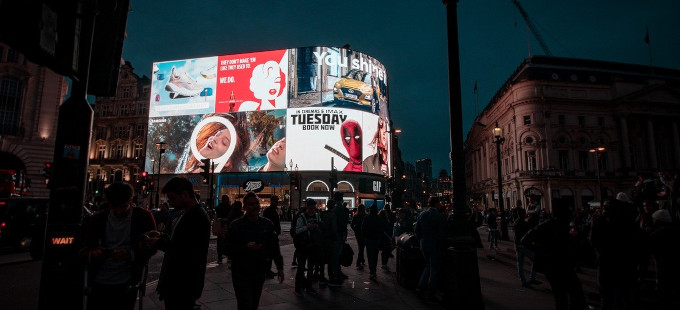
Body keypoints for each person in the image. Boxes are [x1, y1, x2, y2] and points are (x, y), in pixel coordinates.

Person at [80, 182, 158, 310]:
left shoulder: (143, 217)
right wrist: (93, 254)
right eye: (114, 207)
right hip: (99, 280)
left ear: (130, 200)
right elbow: (84, 248)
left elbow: (152, 246)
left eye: (122, 206)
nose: (118, 211)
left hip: (127, 282)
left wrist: (130, 254)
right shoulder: (98, 218)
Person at [154, 177, 211, 310]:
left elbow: (185, 251)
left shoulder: (197, 216)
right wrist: (162, 236)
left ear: (185, 195)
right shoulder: (186, 213)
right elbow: (179, 242)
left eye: (173, 198)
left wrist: (158, 242)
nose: (171, 202)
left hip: (183, 283)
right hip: (180, 282)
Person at [521, 201, 586, 310]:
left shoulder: (566, 226)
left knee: (569, 297)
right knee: (565, 296)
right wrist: (542, 251)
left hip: (562, 265)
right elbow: (525, 240)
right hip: (554, 266)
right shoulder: (549, 225)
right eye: (569, 212)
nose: (571, 215)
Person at [226, 192, 284, 310]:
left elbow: (274, 246)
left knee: (254, 302)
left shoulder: (266, 224)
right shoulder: (236, 225)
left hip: (259, 270)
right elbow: (227, 248)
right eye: (251, 204)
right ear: (245, 207)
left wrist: (280, 267)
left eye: (256, 203)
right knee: (244, 303)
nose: (255, 206)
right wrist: (245, 247)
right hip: (241, 271)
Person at [182, 113, 251, 173]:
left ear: (227, 161)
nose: (214, 138)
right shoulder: (186, 173)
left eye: (224, 142)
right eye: (217, 134)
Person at [414, 196, 446, 304]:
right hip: (435, 245)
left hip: (424, 244)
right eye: (439, 203)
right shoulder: (439, 216)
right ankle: (430, 293)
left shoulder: (422, 214)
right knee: (434, 270)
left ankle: (420, 287)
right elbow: (442, 234)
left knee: (428, 266)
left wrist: (421, 240)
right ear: (436, 204)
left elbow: (417, 230)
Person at [293, 199, 322, 296]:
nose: (312, 211)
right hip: (304, 245)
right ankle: (298, 287)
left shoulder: (317, 216)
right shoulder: (301, 217)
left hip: (313, 245)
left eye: (314, 208)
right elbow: (297, 230)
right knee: (301, 267)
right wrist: (308, 227)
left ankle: (309, 287)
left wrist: (318, 227)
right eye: (310, 208)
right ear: (307, 207)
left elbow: (320, 227)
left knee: (311, 268)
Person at [513, 208, 540, 288]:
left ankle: (523, 281)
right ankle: (532, 278)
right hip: (524, 245)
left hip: (517, 245)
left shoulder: (516, 222)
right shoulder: (524, 223)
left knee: (520, 264)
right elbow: (530, 231)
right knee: (535, 259)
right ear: (523, 215)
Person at [318, 200, 339, 286]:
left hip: (322, 238)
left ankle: (322, 277)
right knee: (331, 259)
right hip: (330, 239)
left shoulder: (323, 214)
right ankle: (331, 277)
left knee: (322, 260)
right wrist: (335, 237)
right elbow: (334, 229)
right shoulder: (333, 215)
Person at [332, 192, 350, 281]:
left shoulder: (335, 208)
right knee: (337, 255)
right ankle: (336, 274)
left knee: (337, 255)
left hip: (336, 234)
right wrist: (343, 233)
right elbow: (343, 223)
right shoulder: (340, 208)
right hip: (339, 234)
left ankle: (337, 272)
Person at [361, 204, 383, 281]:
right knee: (375, 255)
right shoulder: (378, 218)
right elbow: (381, 229)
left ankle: (372, 271)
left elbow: (363, 228)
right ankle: (374, 270)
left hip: (369, 239)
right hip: (376, 239)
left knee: (370, 255)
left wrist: (365, 237)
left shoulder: (366, 217)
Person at [263, 195, 282, 278]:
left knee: (271, 254)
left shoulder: (274, 210)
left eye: (277, 200)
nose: (277, 202)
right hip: (269, 235)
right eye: (275, 200)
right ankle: (267, 271)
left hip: (273, 234)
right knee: (269, 254)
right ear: (272, 201)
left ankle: (268, 270)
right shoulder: (269, 211)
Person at [214, 195, 231, 264]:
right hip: (227, 225)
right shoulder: (230, 207)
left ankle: (220, 258)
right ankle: (229, 257)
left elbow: (216, 216)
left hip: (220, 225)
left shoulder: (218, 207)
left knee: (220, 242)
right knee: (228, 241)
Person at [351, 204, 367, 270]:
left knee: (360, 246)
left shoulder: (356, 216)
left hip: (358, 233)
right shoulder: (365, 216)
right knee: (361, 247)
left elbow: (352, 225)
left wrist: (355, 230)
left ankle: (362, 259)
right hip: (364, 233)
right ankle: (358, 262)